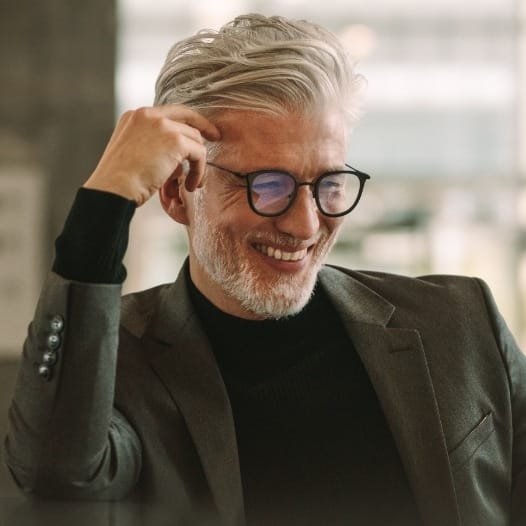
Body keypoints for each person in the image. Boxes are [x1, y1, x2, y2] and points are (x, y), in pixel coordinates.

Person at [3, 12, 526, 526]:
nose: (304, 224)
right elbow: (56, 476)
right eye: (267, 185)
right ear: (178, 195)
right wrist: (104, 205)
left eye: (329, 183)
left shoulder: (460, 322)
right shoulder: (118, 364)